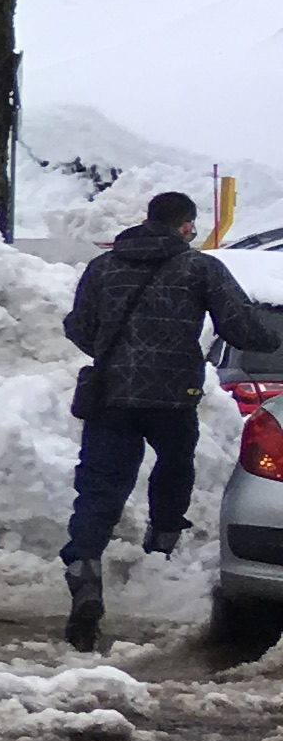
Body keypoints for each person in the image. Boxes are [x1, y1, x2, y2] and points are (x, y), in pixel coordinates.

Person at [60, 192, 278, 650]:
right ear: (185, 225)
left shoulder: (104, 267)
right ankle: (160, 548)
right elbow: (241, 328)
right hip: (173, 395)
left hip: (111, 395)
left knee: (100, 482)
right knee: (175, 465)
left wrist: (112, 355)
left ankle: (84, 567)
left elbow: (78, 325)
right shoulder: (199, 269)